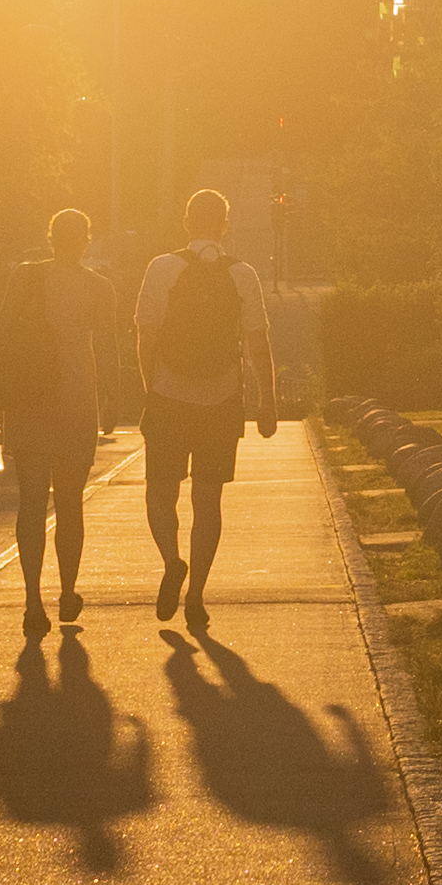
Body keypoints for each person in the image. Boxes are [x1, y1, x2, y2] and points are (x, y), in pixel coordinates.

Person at [133, 186, 277, 632]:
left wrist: (150, 387)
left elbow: (146, 335)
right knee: (208, 500)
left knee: (160, 491)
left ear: (186, 222)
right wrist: (266, 400)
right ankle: (196, 596)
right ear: (225, 225)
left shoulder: (163, 268)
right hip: (221, 400)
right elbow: (258, 344)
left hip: (169, 397)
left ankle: (172, 561)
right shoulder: (243, 274)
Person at [0, 209, 116, 637]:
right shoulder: (100, 288)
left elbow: (1, 336)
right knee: (71, 502)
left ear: (50, 237)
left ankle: (31, 600)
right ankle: (69, 590)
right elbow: (109, 349)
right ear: (87, 241)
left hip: (29, 399)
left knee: (32, 501)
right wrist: (111, 401)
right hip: (78, 399)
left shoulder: (24, 276)